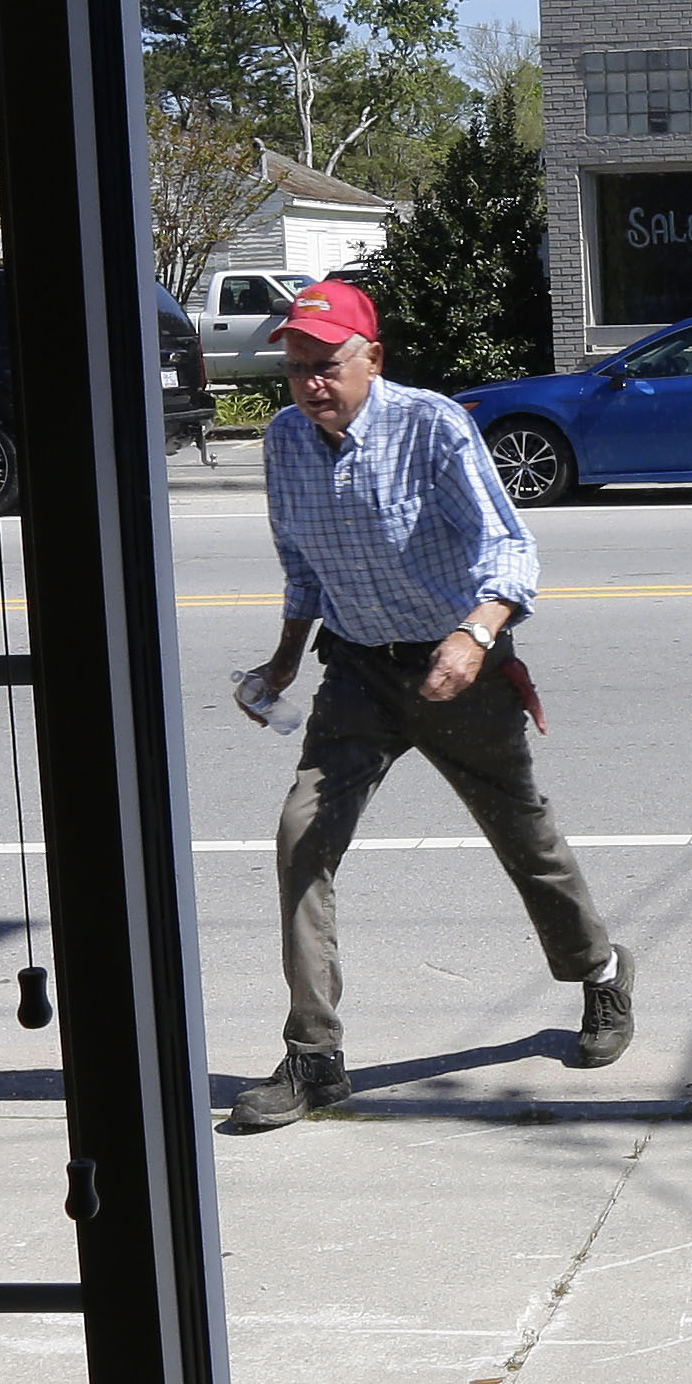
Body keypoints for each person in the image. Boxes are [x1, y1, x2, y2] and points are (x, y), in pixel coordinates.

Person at [224, 278, 628, 1129]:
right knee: (302, 841)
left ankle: (600, 974)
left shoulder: (433, 426)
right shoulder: (285, 443)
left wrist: (475, 636)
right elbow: (302, 568)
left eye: (325, 365)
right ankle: (314, 1057)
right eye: (294, 368)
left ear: (372, 357)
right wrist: (285, 662)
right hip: (359, 676)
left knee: (523, 836)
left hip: (461, 670)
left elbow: (510, 548)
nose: (309, 384)